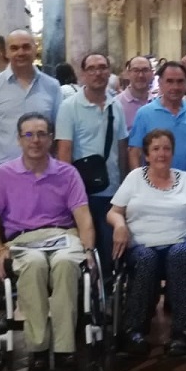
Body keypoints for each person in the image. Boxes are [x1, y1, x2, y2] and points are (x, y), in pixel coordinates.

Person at [0, 113, 97, 371]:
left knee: (67, 264)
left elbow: (84, 218)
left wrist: (88, 249)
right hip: (22, 239)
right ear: (19, 139)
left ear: (51, 138)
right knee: (33, 266)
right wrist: (0, 250)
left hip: (63, 235)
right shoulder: (3, 174)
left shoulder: (68, 173)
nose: (36, 140)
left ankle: (65, 348)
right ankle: (38, 348)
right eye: (29, 135)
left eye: (42, 134)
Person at [108, 129, 186, 357]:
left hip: (181, 242)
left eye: (166, 148)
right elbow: (114, 211)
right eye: (156, 149)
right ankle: (133, 331)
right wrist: (119, 225)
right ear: (146, 155)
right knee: (146, 259)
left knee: (177, 256)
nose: (162, 153)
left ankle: (184, 332)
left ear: (172, 153)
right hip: (142, 245)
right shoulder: (135, 178)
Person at [56, 52, 129, 278]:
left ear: (109, 71)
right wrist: (66, 194)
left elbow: (122, 148)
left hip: (112, 191)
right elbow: (64, 153)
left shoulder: (115, 105)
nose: (98, 73)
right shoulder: (69, 107)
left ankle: (108, 298)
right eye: (92, 68)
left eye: (102, 67)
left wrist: (125, 188)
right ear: (83, 74)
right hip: (82, 193)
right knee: (85, 249)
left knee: (110, 250)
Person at [0, 29, 62, 167]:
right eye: (14, 48)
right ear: (6, 53)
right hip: (2, 166)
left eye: (26, 47)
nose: (21, 52)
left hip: (41, 166)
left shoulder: (52, 86)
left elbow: (57, 128)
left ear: (35, 49)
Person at [128, 61, 186, 186]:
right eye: (170, 81)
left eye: (180, 81)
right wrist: (140, 184)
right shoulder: (145, 113)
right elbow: (135, 152)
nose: (175, 87)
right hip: (155, 182)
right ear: (160, 83)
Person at [117, 55, 155, 129]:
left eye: (145, 70)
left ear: (152, 73)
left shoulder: (158, 104)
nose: (140, 75)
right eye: (136, 70)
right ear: (128, 74)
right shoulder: (117, 105)